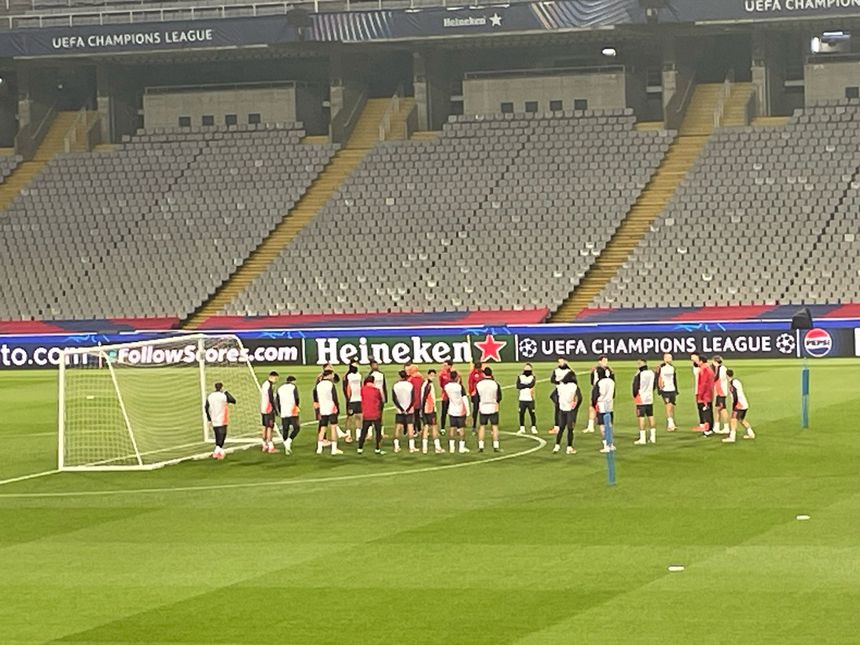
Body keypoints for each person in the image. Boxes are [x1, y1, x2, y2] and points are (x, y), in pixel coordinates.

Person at [314, 370, 343, 455]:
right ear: (329, 375)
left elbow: (316, 397)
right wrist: (337, 407)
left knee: (322, 428)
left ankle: (319, 449)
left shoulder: (318, 385)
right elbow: (334, 397)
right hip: (331, 408)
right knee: (333, 428)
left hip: (323, 409)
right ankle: (334, 449)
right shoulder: (330, 385)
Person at [723, 369, 755, 443]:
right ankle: (751, 433)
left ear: (727, 375)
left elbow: (735, 395)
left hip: (739, 404)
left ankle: (732, 437)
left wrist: (735, 405)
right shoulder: (736, 381)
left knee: (733, 419)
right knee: (741, 419)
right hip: (744, 403)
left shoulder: (732, 383)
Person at [205, 382, 236, 460]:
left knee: (217, 436)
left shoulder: (210, 396)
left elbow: (206, 407)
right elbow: (233, 400)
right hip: (222, 419)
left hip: (214, 419)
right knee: (222, 436)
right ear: (221, 387)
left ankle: (219, 452)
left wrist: (209, 419)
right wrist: (226, 392)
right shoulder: (223, 396)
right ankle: (217, 452)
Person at [475, 366, 502, 453]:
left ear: (483, 374)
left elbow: (476, 397)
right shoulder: (495, 384)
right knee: (494, 427)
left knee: (482, 427)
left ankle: (481, 446)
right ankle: (496, 446)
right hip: (493, 406)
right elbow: (499, 397)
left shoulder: (479, 384)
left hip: (483, 406)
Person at [553, 371, 580, 455]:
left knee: (561, 429)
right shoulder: (574, 386)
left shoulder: (560, 386)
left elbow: (553, 396)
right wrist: (575, 405)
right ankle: (569, 447)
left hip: (562, 410)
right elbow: (578, 398)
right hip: (570, 411)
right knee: (570, 429)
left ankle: (557, 446)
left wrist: (558, 403)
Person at [444, 370, 471, 454]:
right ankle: (461, 447)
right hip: (460, 409)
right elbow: (464, 399)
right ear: (456, 377)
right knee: (461, 428)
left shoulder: (447, 386)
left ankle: (452, 448)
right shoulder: (460, 387)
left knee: (452, 428)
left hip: (451, 409)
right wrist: (468, 412)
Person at [632, 358, 657, 445]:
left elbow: (635, 386)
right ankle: (653, 437)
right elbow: (654, 385)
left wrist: (635, 395)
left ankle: (642, 438)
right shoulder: (651, 373)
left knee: (641, 417)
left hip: (641, 398)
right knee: (651, 416)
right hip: (649, 398)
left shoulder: (639, 374)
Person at [585, 355, 613, 433]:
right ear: (599, 361)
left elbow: (593, 382)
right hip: (602, 390)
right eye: (604, 361)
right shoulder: (606, 370)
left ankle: (595, 426)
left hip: (601, 390)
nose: (606, 363)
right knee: (593, 407)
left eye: (606, 361)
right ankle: (591, 426)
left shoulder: (604, 370)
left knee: (595, 407)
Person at [592, 365, 616, 453]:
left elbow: (595, 395)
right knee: (609, 425)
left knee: (602, 425)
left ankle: (606, 445)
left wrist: (594, 404)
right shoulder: (611, 381)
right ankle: (611, 444)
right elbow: (614, 393)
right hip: (610, 404)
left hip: (601, 405)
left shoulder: (599, 383)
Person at [358, 376, 385, 455]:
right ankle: (377, 448)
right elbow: (381, 401)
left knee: (364, 431)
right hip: (375, 413)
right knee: (377, 431)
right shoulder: (376, 390)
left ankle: (360, 448)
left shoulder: (362, 389)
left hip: (366, 413)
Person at [392, 370, 417, 453]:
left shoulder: (395, 386)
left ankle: (396, 446)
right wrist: (408, 409)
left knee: (397, 428)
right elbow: (413, 399)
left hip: (399, 410)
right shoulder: (410, 385)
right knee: (410, 428)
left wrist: (401, 409)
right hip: (409, 410)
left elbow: (394, 399)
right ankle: (411, 447)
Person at [276, 375, 301, 455]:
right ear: (293, 381)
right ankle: (289, 441)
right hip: (292, 410)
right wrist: (296, 406)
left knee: (285, 429)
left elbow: (277, 400)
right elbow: (296, 398)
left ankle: (286, 447)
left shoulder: (280, 388)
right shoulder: (293, 387)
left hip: (284, 411)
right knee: (296, 428)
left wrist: (280, 411)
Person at [421, 369, 444, 454]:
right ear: (428, 375)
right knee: (434, 427)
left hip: (426, 409)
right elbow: (425, 397)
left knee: (426, 427)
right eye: (431, 375)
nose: (433, 377)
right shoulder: (428, 385)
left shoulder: (425, 384)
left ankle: (424, 448)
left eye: (434, 375)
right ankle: (437, 447)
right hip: (430, 409)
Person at [549, 357, 573, 434]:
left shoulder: (569, 371)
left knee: (565, 409)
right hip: (559, 391)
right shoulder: (556, 371)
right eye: (559, 362)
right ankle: (557, 426)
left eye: (562, 361)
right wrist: (558, 382)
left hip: (566, 392)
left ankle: (566, 424)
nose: (561, 363)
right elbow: (552, 380)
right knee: (557, 408)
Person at [342, 361, 363, 443]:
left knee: (359, 416)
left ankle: (358, 435)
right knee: (350, 417)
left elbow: (361, 386)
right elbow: (347, 388)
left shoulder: (359, 375)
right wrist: (348, 398)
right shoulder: (348, 376)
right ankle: (348, 434)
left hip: (359, 399)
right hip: (352, 399)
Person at [657, 353, 678, 431]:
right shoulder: (661, 368)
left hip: (672, 389)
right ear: (665, 359)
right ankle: (670, 424)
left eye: (671, 357)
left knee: (671, 406)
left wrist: (676, 389)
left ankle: (672, 422)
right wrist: (660, 387)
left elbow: (674, 379)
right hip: (665, 390)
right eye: (668, 358)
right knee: (668, 406)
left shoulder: (672, 368)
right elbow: (659, 378)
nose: (670, 359)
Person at [259, 371, 279, 453]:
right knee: (270, 427)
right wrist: (275, 409)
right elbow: (271, 398)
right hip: (268, 409)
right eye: (276, 378)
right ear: (272, 377)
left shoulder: (264, 384)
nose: (276, 380)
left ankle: (264, 444)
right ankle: (270, 446)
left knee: (265, 426)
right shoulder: (269, 386)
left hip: (263, 408)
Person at [695, 355, 715, 436]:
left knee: (705, 412)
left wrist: (700, 395)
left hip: (705, 395)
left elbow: (703, 383)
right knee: (709, 411)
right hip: (709, 393)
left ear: (701, 361)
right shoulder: (709, 369)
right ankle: (710, 428)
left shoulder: (703, 369)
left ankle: (707, 430)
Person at [516, 363, 538, 435]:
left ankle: (533, 427)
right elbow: (518, 386)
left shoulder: (533, 377)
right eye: (526, 368)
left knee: (532, 413)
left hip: (530, 399)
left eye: (528, 369)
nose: (527, 370)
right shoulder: (520, 377)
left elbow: (532, 384)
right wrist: (527, 386)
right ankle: (522, 428)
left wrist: (524, 385)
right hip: (522, 399)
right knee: (521, 413)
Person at [367, 360, 387, 436]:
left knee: (380, 415)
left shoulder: (381, 374)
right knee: (371, 415)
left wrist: (385, 396)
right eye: (374, 365)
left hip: (380, 397)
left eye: (376, 365)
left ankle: (381, 432)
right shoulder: (370, 375)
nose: (375, 366)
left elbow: (383, 386)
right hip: (373, 397)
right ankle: (369, 432)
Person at [711, 356, 731, 435]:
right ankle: (716, 426)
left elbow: (715, 378)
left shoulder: (721, 369)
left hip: (721, 392)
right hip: (719, 391)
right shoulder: (722, 368)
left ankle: (726, 427)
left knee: (722, 409)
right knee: (716, 409)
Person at [407, 363, 424, 438]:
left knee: (412, 416)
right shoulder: (421, 378)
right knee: (418, 415)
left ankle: (413, 430)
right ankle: (420, 429)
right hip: (420, 399)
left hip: (412, 400)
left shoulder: (410, 379)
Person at [467, 361, 484, 430]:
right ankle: (474, 425)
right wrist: (471, 392)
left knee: (483, 409)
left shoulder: (483, 373)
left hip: (483, 394)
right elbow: (470, 383)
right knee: (475, 409)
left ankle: (482, 423)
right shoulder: (472, 374)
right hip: (475, 394)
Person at [438, 360, 453, 435]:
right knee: (444, 412)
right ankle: (442, 427)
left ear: (450, 366)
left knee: (454, 412)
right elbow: (441, 384)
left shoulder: (454, 373)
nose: (444, 367)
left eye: (445, 365)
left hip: (453, 396)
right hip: (445, 396)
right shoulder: (442, 374)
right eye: (444, 365)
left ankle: (455, 426)